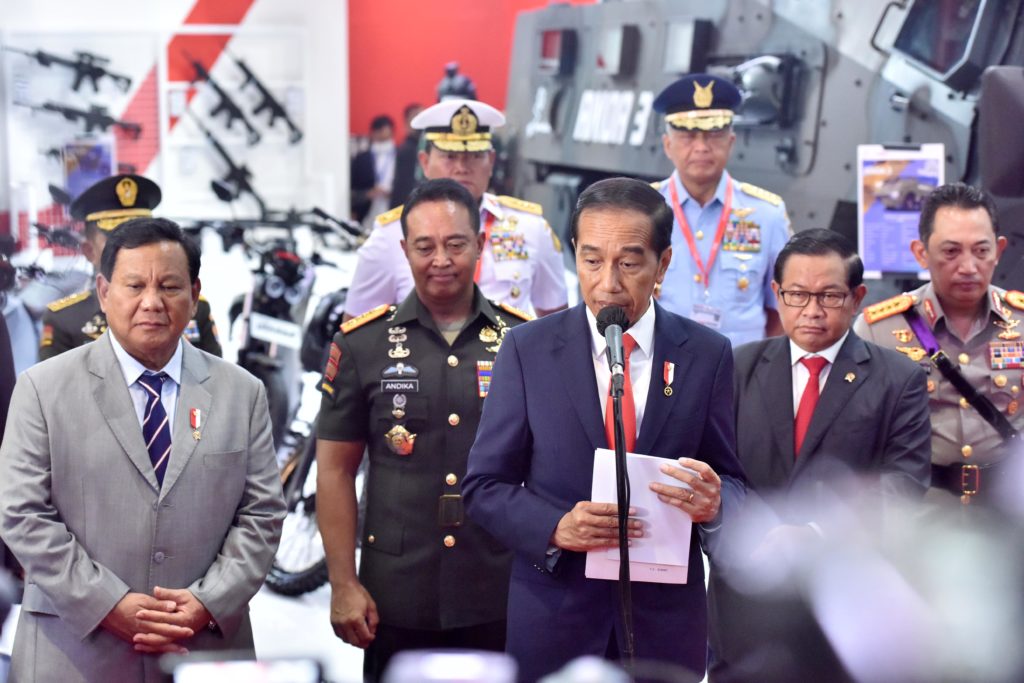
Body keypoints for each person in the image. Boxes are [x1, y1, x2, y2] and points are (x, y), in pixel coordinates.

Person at [462, 177, 746, 682]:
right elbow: (484, 487)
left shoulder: (706, 355)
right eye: (592, 261)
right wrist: (555, 527)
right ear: (574, 254)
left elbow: (733, 481)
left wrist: (716, 504)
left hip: (664, 627)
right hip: (557, 621)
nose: (608, 283)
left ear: (663, 264)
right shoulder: (527, 350)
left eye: (629, 263)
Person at [0, 218, 285, 683]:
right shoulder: (43, 389)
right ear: (103, 291)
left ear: (194, 295)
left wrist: (206, 602)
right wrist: (106, 603)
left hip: (202, 648)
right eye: (135, 285)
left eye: (169, 286)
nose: (151, 302)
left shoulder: (242, 393)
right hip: (75, 653)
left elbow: (263, 514)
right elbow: (21, 513)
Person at [316, 179, 531, 681]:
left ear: (481, 243)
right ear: (404, 250)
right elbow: (334, 471)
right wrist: (343, 582)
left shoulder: (523, 340)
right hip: (397, 592)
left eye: (456, 244)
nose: (441, 259)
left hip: (496, 585)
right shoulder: (362, 346)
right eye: (425, 246)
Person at [709, 228, 932, 683]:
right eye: (796, 294)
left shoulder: (898, 378)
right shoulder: (736, 365)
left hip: (847, 607)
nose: (812, 310)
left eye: (829, 295)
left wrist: (814, 531)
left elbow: (903, 484)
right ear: (777, 294)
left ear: (857, 297)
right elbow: (717, 470)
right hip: (745, 602)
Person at [853, 182, 1024, 506]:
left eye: (981, 250)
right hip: (919, 508)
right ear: (921, 252)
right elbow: (858, 434)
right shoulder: (879, 330)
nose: (968, 266)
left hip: (1010, 507)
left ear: (999, 251)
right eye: (951, 251)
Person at [343, 98, 567, 320]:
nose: (461, 167)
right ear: (424, 162)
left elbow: (558, 327)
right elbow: (357, 335)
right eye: (449, 156)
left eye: (474, 156)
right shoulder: (390, 235)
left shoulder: (531, 229)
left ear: (490, 161)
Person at [651, 73, 789, 346]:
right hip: (664, 370)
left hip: (740, 374)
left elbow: (782, 309)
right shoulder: (643, 210)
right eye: (688, 135)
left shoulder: (767, 214)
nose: (701, 147)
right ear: (668, 145)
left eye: (714, 133)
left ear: (731, 141)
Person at [39, 174, 222, 361]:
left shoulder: (192, 306)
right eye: (118, 241)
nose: (135, 251)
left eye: (145, 238)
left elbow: (214, 381)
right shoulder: (66, 319)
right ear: (89, 251)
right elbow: (55, 386)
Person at [351, 114, 397, 227]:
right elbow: (353, 189)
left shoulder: (400, 156)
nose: (382, 135)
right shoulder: (362, 158)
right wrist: (368, 194)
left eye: (386, 131)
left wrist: (392, 193)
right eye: (379, 131)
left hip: (393, 211)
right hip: (367, 212)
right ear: (373, 133)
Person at [390, 102, 424, 209]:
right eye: (416, 117)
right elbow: (402, 186)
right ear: (407, 122)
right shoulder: (406, 150)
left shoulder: (427, 147)